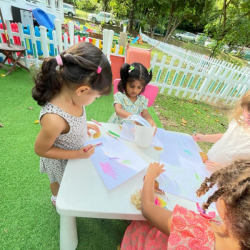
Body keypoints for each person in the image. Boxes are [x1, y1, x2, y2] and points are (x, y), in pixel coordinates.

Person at [32, 42, 112, 206]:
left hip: (75, 154)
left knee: (73, 182)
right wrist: (78, 155)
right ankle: (57, 198)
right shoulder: (54, 119)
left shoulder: (74, 98)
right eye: (96, 97)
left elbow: (72, 122)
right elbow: (41, 149)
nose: (95, 100)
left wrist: (83, 125)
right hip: (60, 161)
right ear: (82, 90)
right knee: (58, 182)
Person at [121, 160, 250, 249]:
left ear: (225, 203)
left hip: (151, 242)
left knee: (141, 223)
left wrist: (150, 176)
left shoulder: (193, 231)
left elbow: (148, 208)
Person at [193, 90, 250, 172]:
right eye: (245, 110)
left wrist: (223, 169)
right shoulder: (240, 121)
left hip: (224, 177)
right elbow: (226, 137)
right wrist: (205, 137)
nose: (244, 115)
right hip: (208, 164)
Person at [108, 63, 156, 128]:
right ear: (125, 83)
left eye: (139, 87)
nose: (135, 90)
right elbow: (118, 111)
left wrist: (150, 120)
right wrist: (134, 117)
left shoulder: (142, 100)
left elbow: (145, 114)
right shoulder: (120, 96)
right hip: (116, 126)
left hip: (130, 129)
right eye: (131, 86)